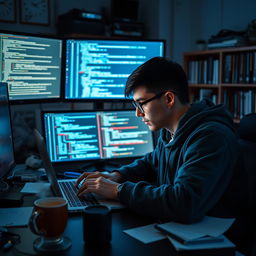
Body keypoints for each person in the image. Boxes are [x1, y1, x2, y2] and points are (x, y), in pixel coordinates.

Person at [76, 57, 247, 225]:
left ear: (169, 99)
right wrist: (117, 176)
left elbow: (185, 203)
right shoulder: (171, 130)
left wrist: (117, 190)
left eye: (141, 104)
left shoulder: (212, 137)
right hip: (180, 228)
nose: (138, 113)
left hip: (215, 237)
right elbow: (151, 162)